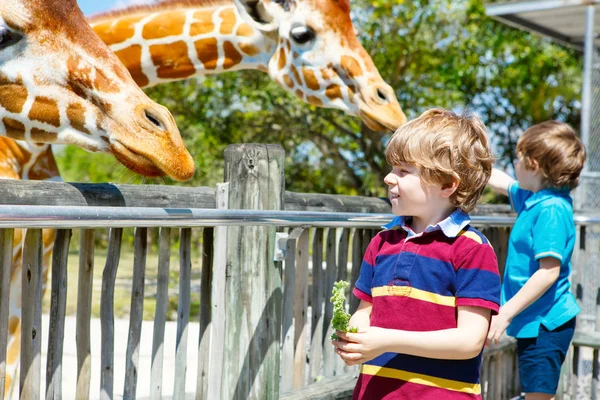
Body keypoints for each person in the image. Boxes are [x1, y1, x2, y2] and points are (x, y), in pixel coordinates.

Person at [332, 108, 501, 399]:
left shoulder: (472, 249)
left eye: (403, 171)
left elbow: (469, 340)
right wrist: (354, 341)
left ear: (447, 184)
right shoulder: (382, 243)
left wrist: (385, 340)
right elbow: (365, 312)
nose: (388, 178)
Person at [486, 121, 586, 400]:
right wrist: (471, 161)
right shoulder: (536, 199)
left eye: (518, 158)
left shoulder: (551, 209)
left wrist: (505, 313)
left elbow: (548, 272)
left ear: (532, 165)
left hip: (546, 324)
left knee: (539, 397)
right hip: (535, 321)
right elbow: (504, 183)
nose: (514, 164)